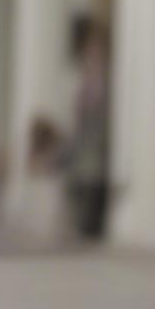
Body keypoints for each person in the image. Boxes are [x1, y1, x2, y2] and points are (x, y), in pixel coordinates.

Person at [60, 12, 112, 240]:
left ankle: (85, 226)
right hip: (84, 146)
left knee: (88, 187)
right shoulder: (84, 73)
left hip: (94, 147)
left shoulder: (100, 72)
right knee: (82, 184)